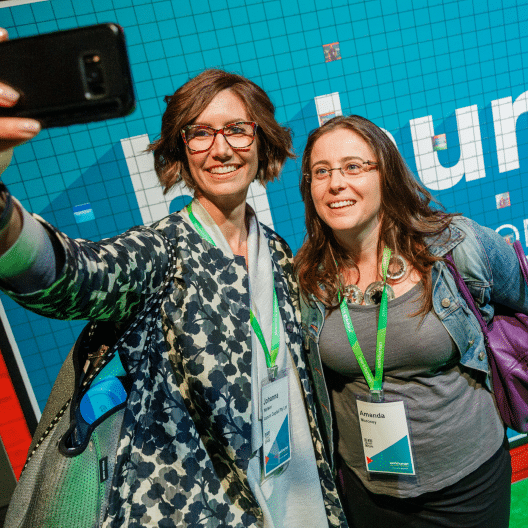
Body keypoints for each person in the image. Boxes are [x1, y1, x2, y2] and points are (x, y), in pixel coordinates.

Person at [0, 28, 347, 527]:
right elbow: (68, 275)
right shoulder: (160, 251)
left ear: (261, 139)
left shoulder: (274, 248)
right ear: (181, 151)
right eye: (200, 133)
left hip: (291, 497)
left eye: (236, 130)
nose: (220, 148)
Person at [294, 114, 522, 528]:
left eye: (353, 166)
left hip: (468, 483)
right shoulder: (307, 278)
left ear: (387, 173)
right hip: (369, 492)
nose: (335, 183)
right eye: (320, 171)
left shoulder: (456, 245)